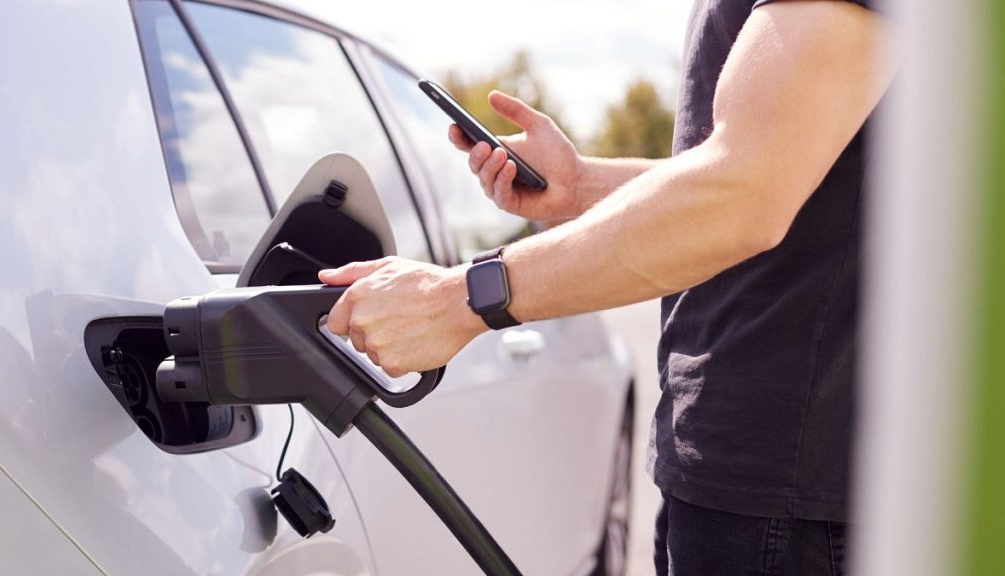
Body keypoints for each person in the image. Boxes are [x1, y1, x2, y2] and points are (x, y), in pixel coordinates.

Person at [319, 1, 895, 573]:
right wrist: (582, 186)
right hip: (737, 477)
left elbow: (744, 193)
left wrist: (456, 299)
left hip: (791, 494)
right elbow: (774, 169)